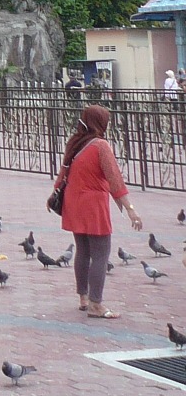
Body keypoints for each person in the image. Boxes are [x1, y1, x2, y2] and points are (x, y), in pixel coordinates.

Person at [49, 105, 142, 319]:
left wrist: (54, 194)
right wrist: (131, 210)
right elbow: (115, 180)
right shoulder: (100, 146)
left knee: (82, 251)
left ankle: (83, 297)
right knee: (101, 254)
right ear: (101, 123)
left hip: (73, 203)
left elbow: (63, 172)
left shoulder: (75, 142)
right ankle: (96, 304)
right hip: (93, 206)